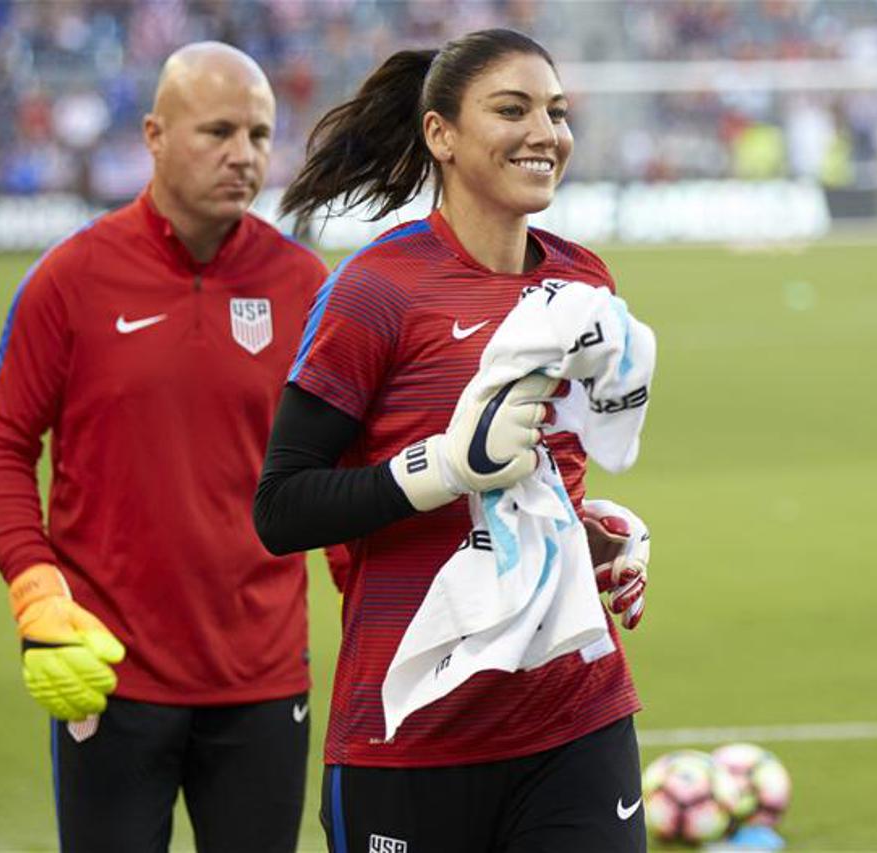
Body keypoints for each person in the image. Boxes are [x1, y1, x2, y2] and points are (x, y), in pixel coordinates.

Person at [253, 28, 652, 853]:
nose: (545, 133)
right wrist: (436, 468)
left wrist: (595, 536)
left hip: (574, 715)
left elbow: (545, 475)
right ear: (441, 134)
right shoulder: (374, 290)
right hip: (412, 731)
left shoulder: (583, 281)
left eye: (556, 111)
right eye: (512, 110)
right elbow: (282, 507)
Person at [0, 41, 347, 853]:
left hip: (262, 680)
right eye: (217, 131)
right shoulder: (69, 278)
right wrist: (36, 589)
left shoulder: (305, 285)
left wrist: (375, 614)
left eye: (257, 133)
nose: (242, 155)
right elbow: (2, 441)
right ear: (153, 134)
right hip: (107, 677)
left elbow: (338, 472)